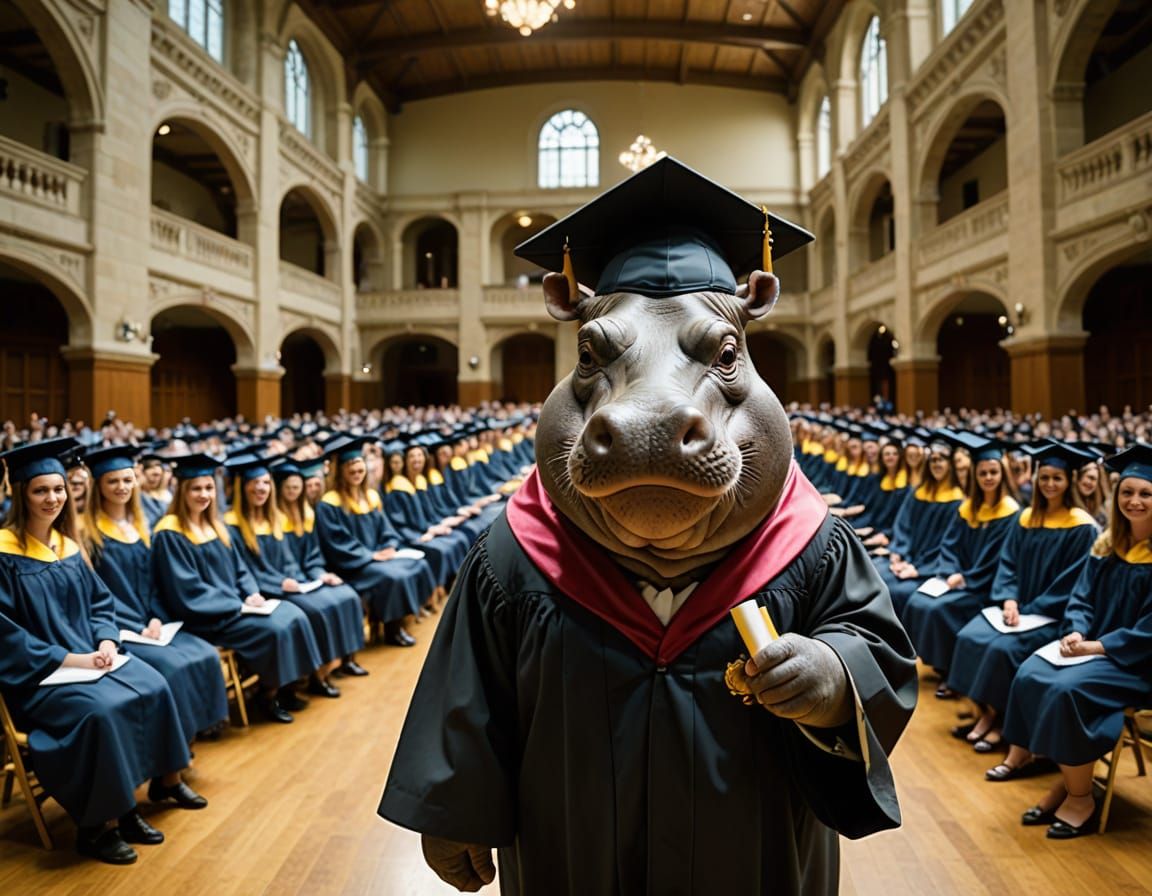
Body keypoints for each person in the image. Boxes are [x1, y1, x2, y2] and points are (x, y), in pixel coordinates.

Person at [379, 157, 917, 895]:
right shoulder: (517, 552)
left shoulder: (810, 542)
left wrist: (834, 677)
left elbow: (876, 650)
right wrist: (455, 805)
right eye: (596, 353)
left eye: (723, 353)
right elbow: (474, 689)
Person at [0, 438, 200, 865]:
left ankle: (156, 787)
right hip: (39, 676)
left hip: (89, 662)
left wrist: (107, 641)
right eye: (40, 490)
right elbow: (7, 638)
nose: (52, 498)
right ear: (21, 494)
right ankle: (98, 825)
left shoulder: (68, 546)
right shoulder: (4, 552)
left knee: (153, 683)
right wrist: (74, 659)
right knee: (103, 711)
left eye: (57, 489)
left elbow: (99, 604)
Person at [997, 444, 1152, 838]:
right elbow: (1081, 597)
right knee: (1031, 672)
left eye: (1146, 494)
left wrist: (1097, 647)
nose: (1134, 501)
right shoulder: (1106, 543)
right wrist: (1077, 631)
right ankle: (1068, 779)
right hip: (1096, 650)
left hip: (1138, 662)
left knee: (1066, 690)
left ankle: (1079, 796)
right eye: (1127, 492)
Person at [948, 442, 1100, 759]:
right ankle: (987, 712)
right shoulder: (1027, 517)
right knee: (969, 636)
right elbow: (1009, 564)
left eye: (1057, 478)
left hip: (1053, 616)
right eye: (1044, 477)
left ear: (1069, 481)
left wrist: (1031, 609)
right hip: (1018, 611)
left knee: (1003, 650)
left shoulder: (1082, 526)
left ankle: (1004, 721)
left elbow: (1072, 582)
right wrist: (1009, 601)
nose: (1049, 485)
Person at [151, 453, 325, 724]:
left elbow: (241, 569)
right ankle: (266, 695)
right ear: (182, 490)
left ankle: (285, 686)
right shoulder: (170, 532)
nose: (203, 494)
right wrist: (237, 604)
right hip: (207, 617)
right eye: (196, 488)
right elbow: (187, 590)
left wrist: (252, 593)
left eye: (208, 487)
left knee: (293, 614)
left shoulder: (216, 526)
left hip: (235, 608)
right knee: (274, 629)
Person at [82, 444, 229, 746]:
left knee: (203, 653)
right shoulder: (88, 534)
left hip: (151, 623)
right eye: (112, 481)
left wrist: (156, 617)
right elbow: (95, 596)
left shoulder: (141, 526)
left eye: (126, 480)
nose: (121, 487)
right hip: (119, 629)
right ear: (99, 485)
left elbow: (153, 585)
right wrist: (135, 627)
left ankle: (204, 724)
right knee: (172, 666)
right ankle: (179, 744)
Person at [222, 452, 366, 698]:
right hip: (263, 591)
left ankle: (326, 668)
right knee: (314, 611)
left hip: (288, 584)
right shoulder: (231, 524)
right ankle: (295, 683)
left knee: (342, 596)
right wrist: (281, 583)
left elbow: (289, 561)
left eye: (266, 482)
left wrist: (309, 577)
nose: (261, 488)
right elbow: (243, 570)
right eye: (254, 483)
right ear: (241, 487)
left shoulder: (273, 518)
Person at [898, 434, 1020, 700]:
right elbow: (949, 545)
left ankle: (954, 673)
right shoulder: (968, 508)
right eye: (983, 472)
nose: (988, 477)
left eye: (993, 472)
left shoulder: (1011, 512)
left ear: (1002, 474)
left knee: (939, 608)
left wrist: (964, 578)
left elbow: (1000, 559)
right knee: (919, 601)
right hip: (959, 579)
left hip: (983, 585)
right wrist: (951, 570)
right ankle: (942, 667)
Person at [313, 435, 436, 647]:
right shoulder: (329, 504)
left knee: (418, 564)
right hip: (351, 565)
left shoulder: (370, 496)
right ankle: (392, 629)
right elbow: (336, 543)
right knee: (393, 576)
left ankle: (402, 621)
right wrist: (370, 556)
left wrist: (388, 545)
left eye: (360, 470)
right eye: (351, 471)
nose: (357, 475)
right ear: (340, 472)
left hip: (375, 557)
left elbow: (385, 529)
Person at [273, 456, 369, 677]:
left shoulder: (306, 515)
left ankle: (347, 657)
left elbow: (313, 555)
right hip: (285, 585)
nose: (294, 491)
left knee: (347, 595)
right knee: (320, 609)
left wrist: (321, 574)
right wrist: (287, 581)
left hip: (306, 580)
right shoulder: (273, 521)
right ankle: (321, 672)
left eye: (297, 487)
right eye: (288, 487)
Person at [874, 434, 966, 614]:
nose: (937, 464)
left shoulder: (957, 501)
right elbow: (903, 527)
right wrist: (899, 554)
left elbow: (946, 544)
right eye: (933, 460)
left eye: (942, 460)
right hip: (907, 558)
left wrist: (918, 568)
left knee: (895, 591)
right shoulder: (918, 493)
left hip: (929, 566)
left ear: (951, 465)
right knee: (873, 572)